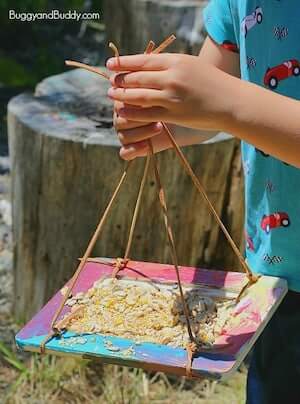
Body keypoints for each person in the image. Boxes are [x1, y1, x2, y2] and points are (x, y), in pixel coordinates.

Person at [106, 1, 300, 403]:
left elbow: (226, 101)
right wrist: (166, 115)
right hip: (276, 283)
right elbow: (214, 94)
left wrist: (226, 103)